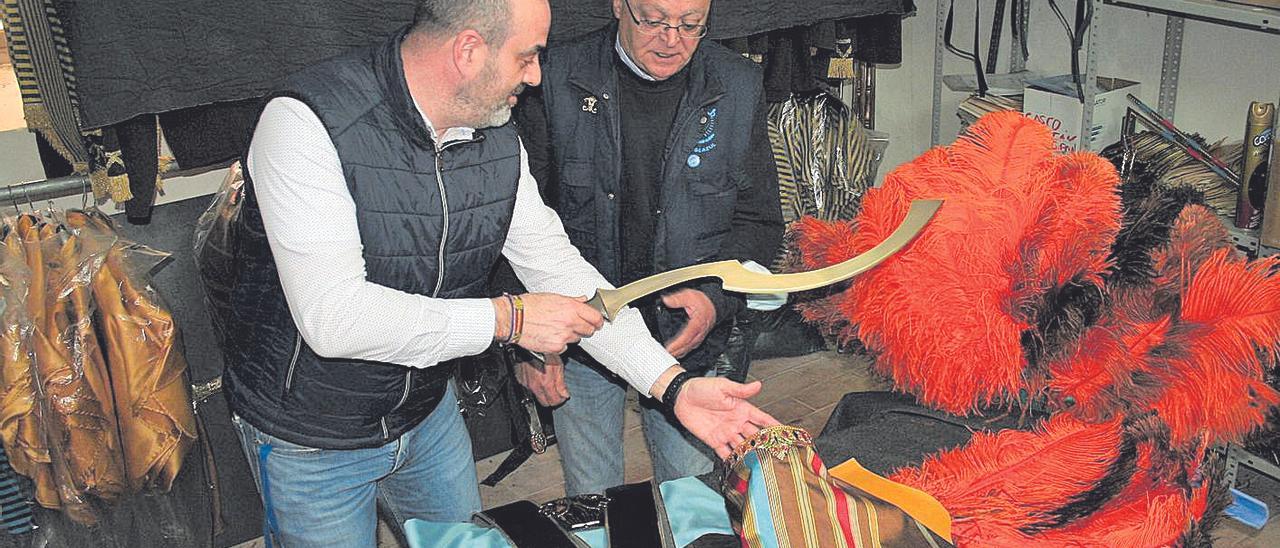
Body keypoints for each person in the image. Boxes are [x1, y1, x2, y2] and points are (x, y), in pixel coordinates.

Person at [216, 0, 778, 545]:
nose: (536, 77)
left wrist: (671, 385)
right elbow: (333, 319)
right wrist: (508, 320)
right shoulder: (306, 124)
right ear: (468, 50)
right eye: (527, 55)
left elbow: (558, 268)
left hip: (425, 415)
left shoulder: (495, 132)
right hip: (313, 437)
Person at [513, 0, 783, 496]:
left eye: (691, 25)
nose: (672, 39)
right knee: (596, 500)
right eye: (654, 20)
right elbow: (516, 224)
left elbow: (759, 221)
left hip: (685, 340)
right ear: (619, 6)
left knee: (691, 498)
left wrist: (712, 297)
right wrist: (530, 344)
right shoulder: (552, 77)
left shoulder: (737, 84)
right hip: (582, 337)